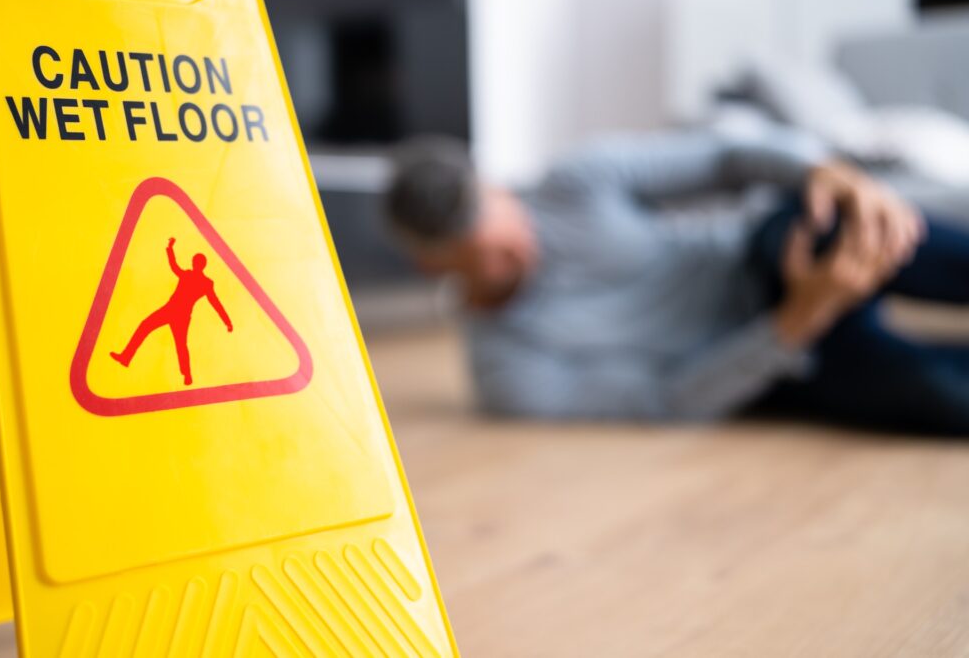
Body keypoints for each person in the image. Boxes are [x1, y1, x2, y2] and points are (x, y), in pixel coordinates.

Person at [385, 132, 969, 435]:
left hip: (766, 253)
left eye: (506, 219)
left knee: (861, 225)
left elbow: (723, 157)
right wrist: (801, 318)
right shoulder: (507, 374)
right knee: (935, 391)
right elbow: (665, 400)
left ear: (497, 188)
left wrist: (832, 175)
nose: (523, 248)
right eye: (493, 258)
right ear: (434, 270)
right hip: (767, 360)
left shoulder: (573, 182)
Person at [111, 237, 233, 386]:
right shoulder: (205, 282)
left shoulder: (192, 277)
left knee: (171, 340)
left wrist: (170, 248)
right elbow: (216, 304)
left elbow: (174, 267)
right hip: (177, 312)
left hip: (174, 311)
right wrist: (227, 322)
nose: (193, 263)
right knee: (161, 335)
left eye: (195, 261)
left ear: (198, 264)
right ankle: (127, 358)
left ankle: (185, 374)